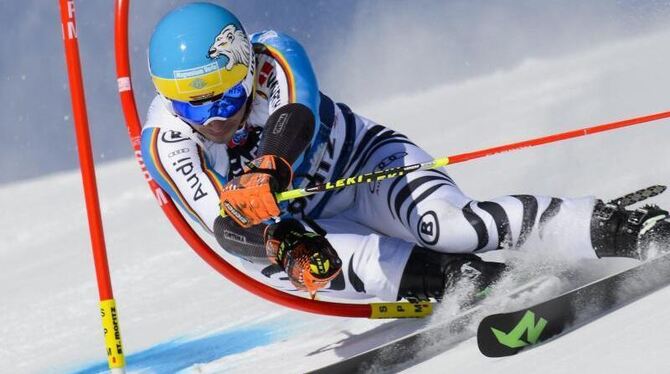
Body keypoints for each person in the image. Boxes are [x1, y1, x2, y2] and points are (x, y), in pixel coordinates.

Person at [141, 2, 670, 303]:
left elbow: (294, 117)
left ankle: (629, 228)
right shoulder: (167, 141)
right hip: (307, 225)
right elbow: (223, 226)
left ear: (243, 62)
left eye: (228, 94)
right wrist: (281, 245)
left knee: (452, 226)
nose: (215, 119)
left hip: (366, 167)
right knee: (345, 269)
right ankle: (473, 283)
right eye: (193, 106)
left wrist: (267, 169)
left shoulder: (273, 52)